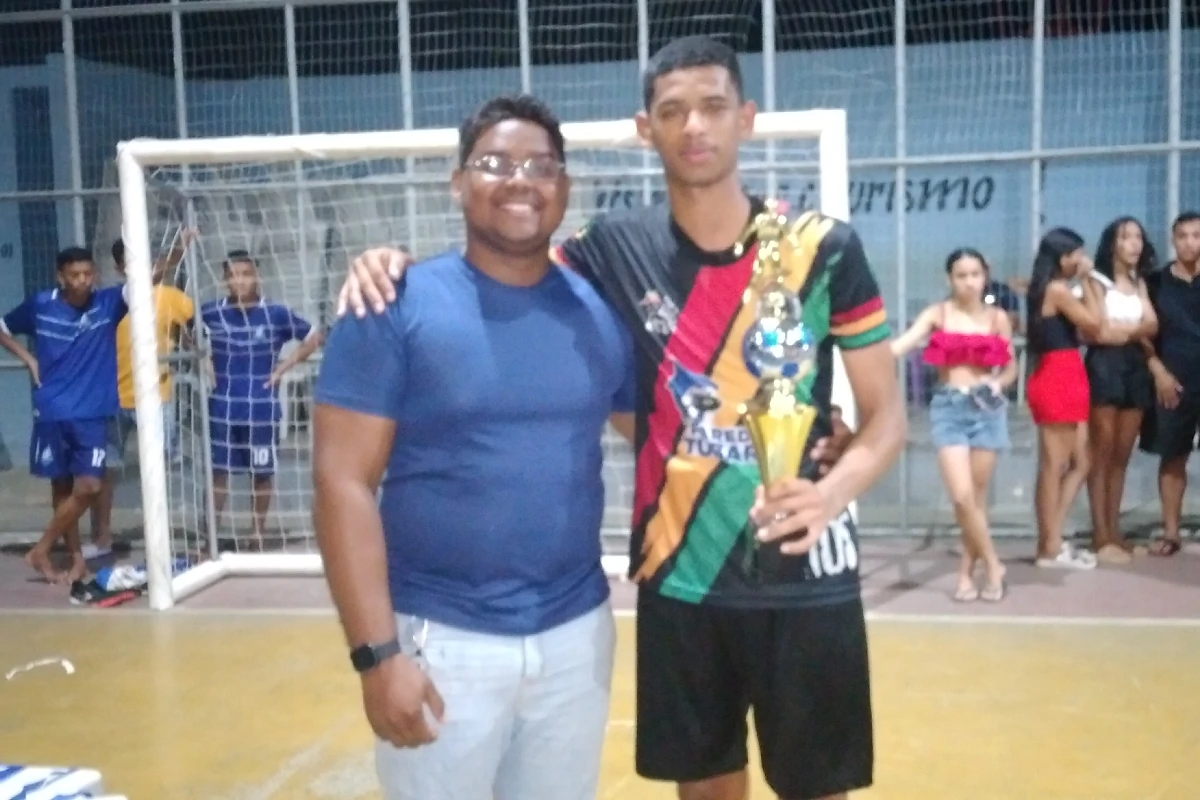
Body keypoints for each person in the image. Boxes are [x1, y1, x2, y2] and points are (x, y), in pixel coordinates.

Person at [338, 36, 905, 800]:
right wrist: (390, 262)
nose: (694, 126)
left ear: (747, 118)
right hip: (681, 580)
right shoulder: (610, 250)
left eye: (711, 107)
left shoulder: (822, 247)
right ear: (647, 130)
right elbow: (507, 259)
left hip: (805, 576)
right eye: (673, 111)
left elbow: (886, 419)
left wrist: (831, 491)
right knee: (705, 788)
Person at [890, 248, 1016, 601]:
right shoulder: (938, 313)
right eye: (961, 275)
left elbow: (1010, 368)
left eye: (975, 274)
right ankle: (993, 564)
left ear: (985, 276)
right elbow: (900, 346)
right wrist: (860, 349)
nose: (969, 282)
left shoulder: (998, 318)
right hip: (948, 407)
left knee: (975, 499)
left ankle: (965, 574)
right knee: (961, 497)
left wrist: (998, 383)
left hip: (986, 408)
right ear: (950, 279)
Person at [0, 247, 128, 584]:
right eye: (75, 275)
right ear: (61, 277)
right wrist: (28, 358)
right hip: (53, 408)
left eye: (88, 274)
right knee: (61, 484)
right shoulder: (41, 304)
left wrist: (180, 247)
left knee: (89, 484)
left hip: (92, 412)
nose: (83, 281)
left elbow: (148, 279)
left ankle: (41, 548)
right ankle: (74, 559)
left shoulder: (108, 303)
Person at [199, 251, 322, 548]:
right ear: (224, 279)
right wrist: (203, 361)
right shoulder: (211, 312)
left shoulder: (275, 313)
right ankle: (211, 537)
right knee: (219, 472)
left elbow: (316, 336)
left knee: (261, 472)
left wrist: (282, 368)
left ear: (257, 277)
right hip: (223, 406)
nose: (239, 281)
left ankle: (257, 532)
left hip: (262, 406)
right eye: (233, 275)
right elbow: (183, 331)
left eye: (246, 274)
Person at [86, 230, 197, 559]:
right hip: (113, 398)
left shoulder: (172, 297)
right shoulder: (111, 302)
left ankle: (159, 538)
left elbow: (195, 337)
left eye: (143, 261)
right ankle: (102, 537)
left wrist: (203, 362)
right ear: (120, 268)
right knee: (105, 472)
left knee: (158, 471)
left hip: (156, 398)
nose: (139, 268)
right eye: (129, 263)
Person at [1024, 227, 1112, 570]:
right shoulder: (1057, 289)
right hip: (1057, 376)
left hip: (1066, 372)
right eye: (1076, 253)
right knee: (1053, 465)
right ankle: (1049, 546)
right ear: (1062, 258)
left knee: (1080, 461)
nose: (1080, 259)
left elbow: (1089, 328)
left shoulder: (1054, 290)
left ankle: (1052, 539)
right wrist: (1091, 280)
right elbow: (1095, 322)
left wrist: (1087, 282)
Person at [1081, 217, 1158, 564]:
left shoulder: (1139, 282)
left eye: (1138, 237)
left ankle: (1115, 530)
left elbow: (1153, 324)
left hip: (1135, 366)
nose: (1134, 244)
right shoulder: (1095, 281)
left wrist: (1125, 331)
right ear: (1112, 243)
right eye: (1126, 237)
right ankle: (1100, 535)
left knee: (1122, 456)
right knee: (1102, 451)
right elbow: (1097, 331)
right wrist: (1134, 330)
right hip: (1105, 366)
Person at [1138, 211, 1200, 557]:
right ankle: (1172, 532)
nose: (1190, 242)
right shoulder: (1155, 283)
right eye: (1183, 236)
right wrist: (1159, 372)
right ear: (1173, 240)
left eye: (1197, 235)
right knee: (1173, 458)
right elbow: (1143, 333)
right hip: (1173, 383)